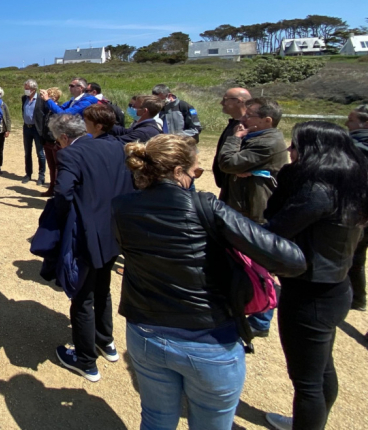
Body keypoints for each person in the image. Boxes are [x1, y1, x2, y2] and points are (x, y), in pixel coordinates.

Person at [113, 134, 305, 430]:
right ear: (178, 172)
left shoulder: (121, 205)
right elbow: (290, 260)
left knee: (155, 418)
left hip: (145, 329)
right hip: (208, 338)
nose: (196, 177)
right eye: (196, 172)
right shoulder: (206, 207)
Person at [263, 122, 368, 430]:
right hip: (335, 286)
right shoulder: (351, 184)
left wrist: (284, 181)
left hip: (309, 294)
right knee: (321, 369)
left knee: (306, 380)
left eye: (295, 146)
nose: (289, 151)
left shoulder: (317, 192)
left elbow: (275, 228)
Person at [50, 114, 135, 382]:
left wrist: (63, 219)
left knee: (82, 297)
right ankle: (105, 341)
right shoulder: (115, 146)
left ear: (64, 138)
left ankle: (85, 360)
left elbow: (62, 193)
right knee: (103, 289)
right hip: (114, 231)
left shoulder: (71, 154)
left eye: (57, 141)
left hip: (87, 233)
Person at [217, 98, 288, 336]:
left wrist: (234, 140)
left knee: (260, 265)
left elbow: (228, 162)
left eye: (250, 115)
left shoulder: (268, 142)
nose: (244, 118)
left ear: (267, 120)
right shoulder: (257, 138)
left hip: (255, 212)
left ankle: (261, 319)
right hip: (243, 206)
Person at [212, 87, 252, 201]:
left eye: (225, 100)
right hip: (227, 183)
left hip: (239, 189)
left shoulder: (249, 125)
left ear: (239, 101)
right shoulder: (234, 123)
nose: (221, 103)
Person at [346, 104, 368, 311]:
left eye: (351, 120)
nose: (346, 124)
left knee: (353, 254)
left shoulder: (353, 148)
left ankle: (355, 298)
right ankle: (358, 298)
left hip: (359, 210)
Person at [21, 79, 46, 185]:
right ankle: (28, 174)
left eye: (28, 89)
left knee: (40, 153)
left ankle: (41, 176)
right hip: (27, 128)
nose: (26, 90)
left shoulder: (41, 100)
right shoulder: (24, 98)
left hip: (37, 129)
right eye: (25, 88)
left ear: (33, 89)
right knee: (27, 153)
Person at [41, 87, 63, 197]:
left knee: (57, 167)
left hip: (55, 141)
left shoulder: (58, 109)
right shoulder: (48, 110)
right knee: (51, 166)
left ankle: (57, 189)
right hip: (47, 141)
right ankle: (51, 187)